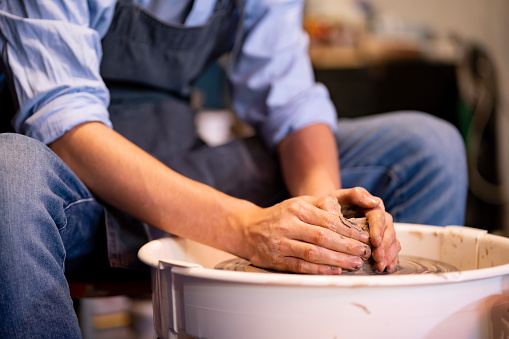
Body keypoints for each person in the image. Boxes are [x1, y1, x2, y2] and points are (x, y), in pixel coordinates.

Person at [0, 0, 467, 338]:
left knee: (425, 150)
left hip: (181, 164)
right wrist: (244, 227)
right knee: (7, 172)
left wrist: (326, 216)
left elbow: (290, 103)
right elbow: (63, 125)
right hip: (74, 194)